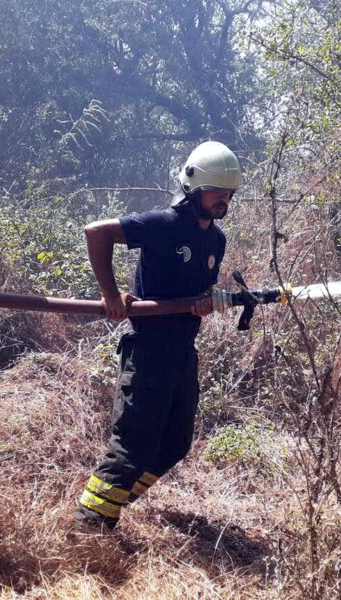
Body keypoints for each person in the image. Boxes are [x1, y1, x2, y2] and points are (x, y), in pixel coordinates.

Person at [73, 141, 241, 531]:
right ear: (194, 188)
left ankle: (109, 505)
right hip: (149, 351)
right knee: (133, 446)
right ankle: (88, 527)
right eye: (216, 191)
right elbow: (96, 233)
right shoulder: (164, 224)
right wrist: (110, 294)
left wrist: (203, 300)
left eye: (229, 192)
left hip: (182, 352)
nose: (223, 199)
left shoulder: (215, 240)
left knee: (175, 444)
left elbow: (199, 288)